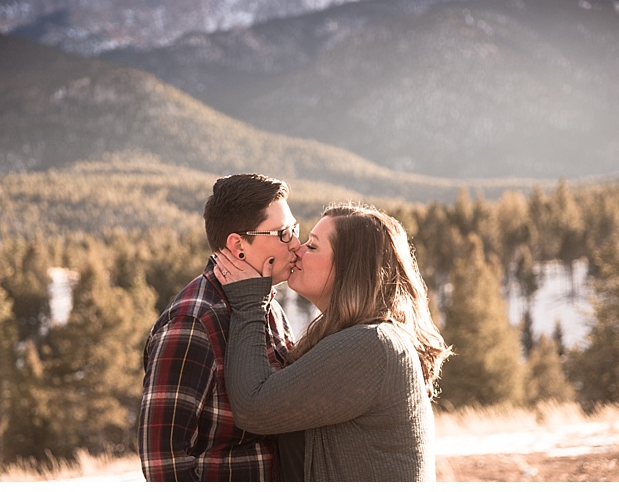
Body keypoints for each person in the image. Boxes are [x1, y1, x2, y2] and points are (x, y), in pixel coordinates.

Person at [213, 202, 452, 481]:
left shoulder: (371, 346)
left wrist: (249, 303)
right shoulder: (365, 340)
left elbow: (254, 407)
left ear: (351, 269)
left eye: (312, 246)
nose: (297, 249)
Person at [138, 173, 302, 481]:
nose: (296, 243)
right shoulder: (192, 323)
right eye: (282, 233)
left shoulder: (270, 308)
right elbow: (163, 464)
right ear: (238, 244)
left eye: (294, 229)